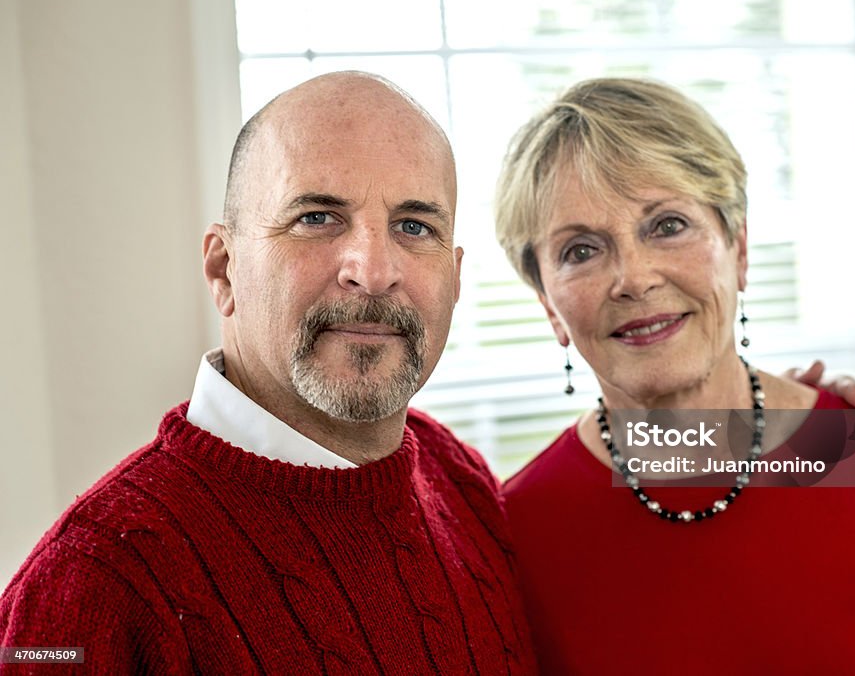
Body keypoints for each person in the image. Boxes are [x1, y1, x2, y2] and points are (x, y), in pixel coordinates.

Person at [0, 72, 535, 673]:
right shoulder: (88, 587)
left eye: (415, 227)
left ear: (456, 278)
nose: (375, 269)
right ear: (224, 270)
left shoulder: (458, 479)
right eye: (317, 217)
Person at [494, 77, 855, 673]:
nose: (634, 278)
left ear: (738, 249)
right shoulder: (516, 535)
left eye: (667, 225)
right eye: (581, 250)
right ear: (547, 303)